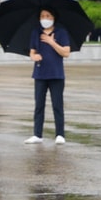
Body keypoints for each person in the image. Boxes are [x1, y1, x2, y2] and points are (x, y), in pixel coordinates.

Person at [25, 8, 70, 144]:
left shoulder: (61, 32)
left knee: (57, 105)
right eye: (42, 16)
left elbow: (66, 52)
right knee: (39, 105)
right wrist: (34, 56)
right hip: (40, 73)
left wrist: (51, 42)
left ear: (53, 17)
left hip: (56, 74)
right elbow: (32, 52)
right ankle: (37, 134)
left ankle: (60, 134)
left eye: (48, 15)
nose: (45, 18)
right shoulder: (36, 32)